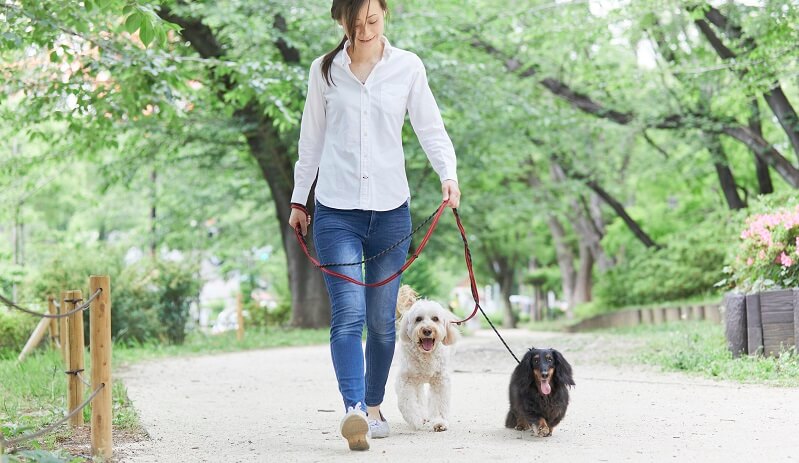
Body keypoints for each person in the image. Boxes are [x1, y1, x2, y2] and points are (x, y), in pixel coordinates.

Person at [287, 0, 461, 451]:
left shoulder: (407, 67)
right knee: (349, 315)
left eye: (372, 20)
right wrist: (298, 199)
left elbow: (430, 126)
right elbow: (312, 138)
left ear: (385, 15)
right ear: (340, 21)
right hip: (336, 210)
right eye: (354, 22)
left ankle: (374, 403)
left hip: (390, 211)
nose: (363, 30)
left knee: (383, 321)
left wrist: (448, 175)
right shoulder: (323, 70)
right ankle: (355, 412)